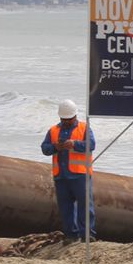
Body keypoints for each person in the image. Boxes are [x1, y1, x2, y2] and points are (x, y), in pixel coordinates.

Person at [42, 99, 96, 241]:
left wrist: (74, 144)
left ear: (75, 116)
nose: (66, 122)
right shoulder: (53, 130)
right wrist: (55, 147)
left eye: (69, 119)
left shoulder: (84, 128)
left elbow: (91, 145)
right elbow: (45, 148)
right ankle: (71, 235)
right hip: (61, 175)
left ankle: (87, 235)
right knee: (66, 208)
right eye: (64, 119)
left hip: (80, 175)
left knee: (85, 206)